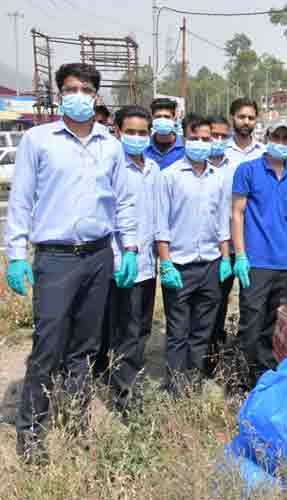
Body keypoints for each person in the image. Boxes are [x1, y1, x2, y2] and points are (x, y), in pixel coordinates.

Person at [5, 63, 137, 464]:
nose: (78, 95)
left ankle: (78, 423)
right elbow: (21, 200)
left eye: (85, 89)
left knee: (84, 347)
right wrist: (15, 254)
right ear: (60, 94)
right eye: (70, 89)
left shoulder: (110, 146)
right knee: (48, 346)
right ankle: (31, 432)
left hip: (97, 255)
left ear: (96, 97)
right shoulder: (38, 141)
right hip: (56, 259)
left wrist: (128, 248)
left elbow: (123, 202)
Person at [155, 116, 231, 398]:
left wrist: (226, 259)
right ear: (184, 137)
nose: (201, 143)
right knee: (178, 330)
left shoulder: (218, 178)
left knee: (203, 329)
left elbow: (223, 222)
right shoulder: (170, 176)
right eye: (195, 137)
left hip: (211, 265)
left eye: (206, 138)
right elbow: (161, 224)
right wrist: (165, 262)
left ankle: (194, 380)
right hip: (180, 266)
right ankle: (175, 387)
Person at [231, 121, 287, 392]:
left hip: (285, 264)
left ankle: (265, 380)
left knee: (276, 326)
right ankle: (241, 379)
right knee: (251, 323)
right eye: (277, 136)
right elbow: (237, 213)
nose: (282, 142)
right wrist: (240, 254)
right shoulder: (248, 171)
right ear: (267, 137)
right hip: (256, 263)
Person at [100, 105, 161, 416]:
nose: (137, 137)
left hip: (148, 265)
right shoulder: (112, 167)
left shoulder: (153, 170)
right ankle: (123, 397)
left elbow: (157, 217)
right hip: (120, 263)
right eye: (131, 132)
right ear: (118, 132)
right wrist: (123, 254)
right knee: (124, 331)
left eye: (142, 132)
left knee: (140, 330)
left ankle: (129, 382)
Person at [206, 114, 233, 375]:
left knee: (222, 302)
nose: (217, 140)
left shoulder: (235, 164)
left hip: (235, 247)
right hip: (208, 247)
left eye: (224, 136)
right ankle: (203, 356)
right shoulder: (196, 166)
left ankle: (215, 353)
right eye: (213, 135)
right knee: (210, 304)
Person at [145, 97, 185, 170]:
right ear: (152, 118)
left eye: (167, 117)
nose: (162, 120)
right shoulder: (144, 147)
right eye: (158, 116)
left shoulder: (185, 147)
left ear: (174, 119)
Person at [225, 98, 264, 169]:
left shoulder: (264, 153)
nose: (246, 122)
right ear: (231, 118)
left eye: (251, 118)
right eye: (241, 117)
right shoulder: (222, 151)